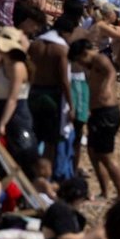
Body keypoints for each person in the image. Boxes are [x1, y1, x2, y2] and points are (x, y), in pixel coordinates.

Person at [68, 40, 120, 198]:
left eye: (79, 60)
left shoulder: (100, 59)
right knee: (93, 154)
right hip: (97, 113)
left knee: (106, 156)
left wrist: (106, 87)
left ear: (84, 53)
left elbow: (111, 72)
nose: (80, 64)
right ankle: (105, 191)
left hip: (107, 113)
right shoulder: (92, 66)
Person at [0, 27, 37, 175]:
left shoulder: (18, 66)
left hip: (17, 112)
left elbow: (13, 98)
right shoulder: (1, 64)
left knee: (20, 151)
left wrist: (3, 123)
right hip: (1, 106)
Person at [28, 15, 74, 164]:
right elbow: (64, 80)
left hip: (33, 92)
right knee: (51, 139)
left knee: (34, 133)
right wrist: (71, 105)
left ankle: (32, 168)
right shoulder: (61, 49)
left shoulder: (35, 44)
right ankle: (45, 172)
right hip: (52, 96)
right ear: (65, 33)